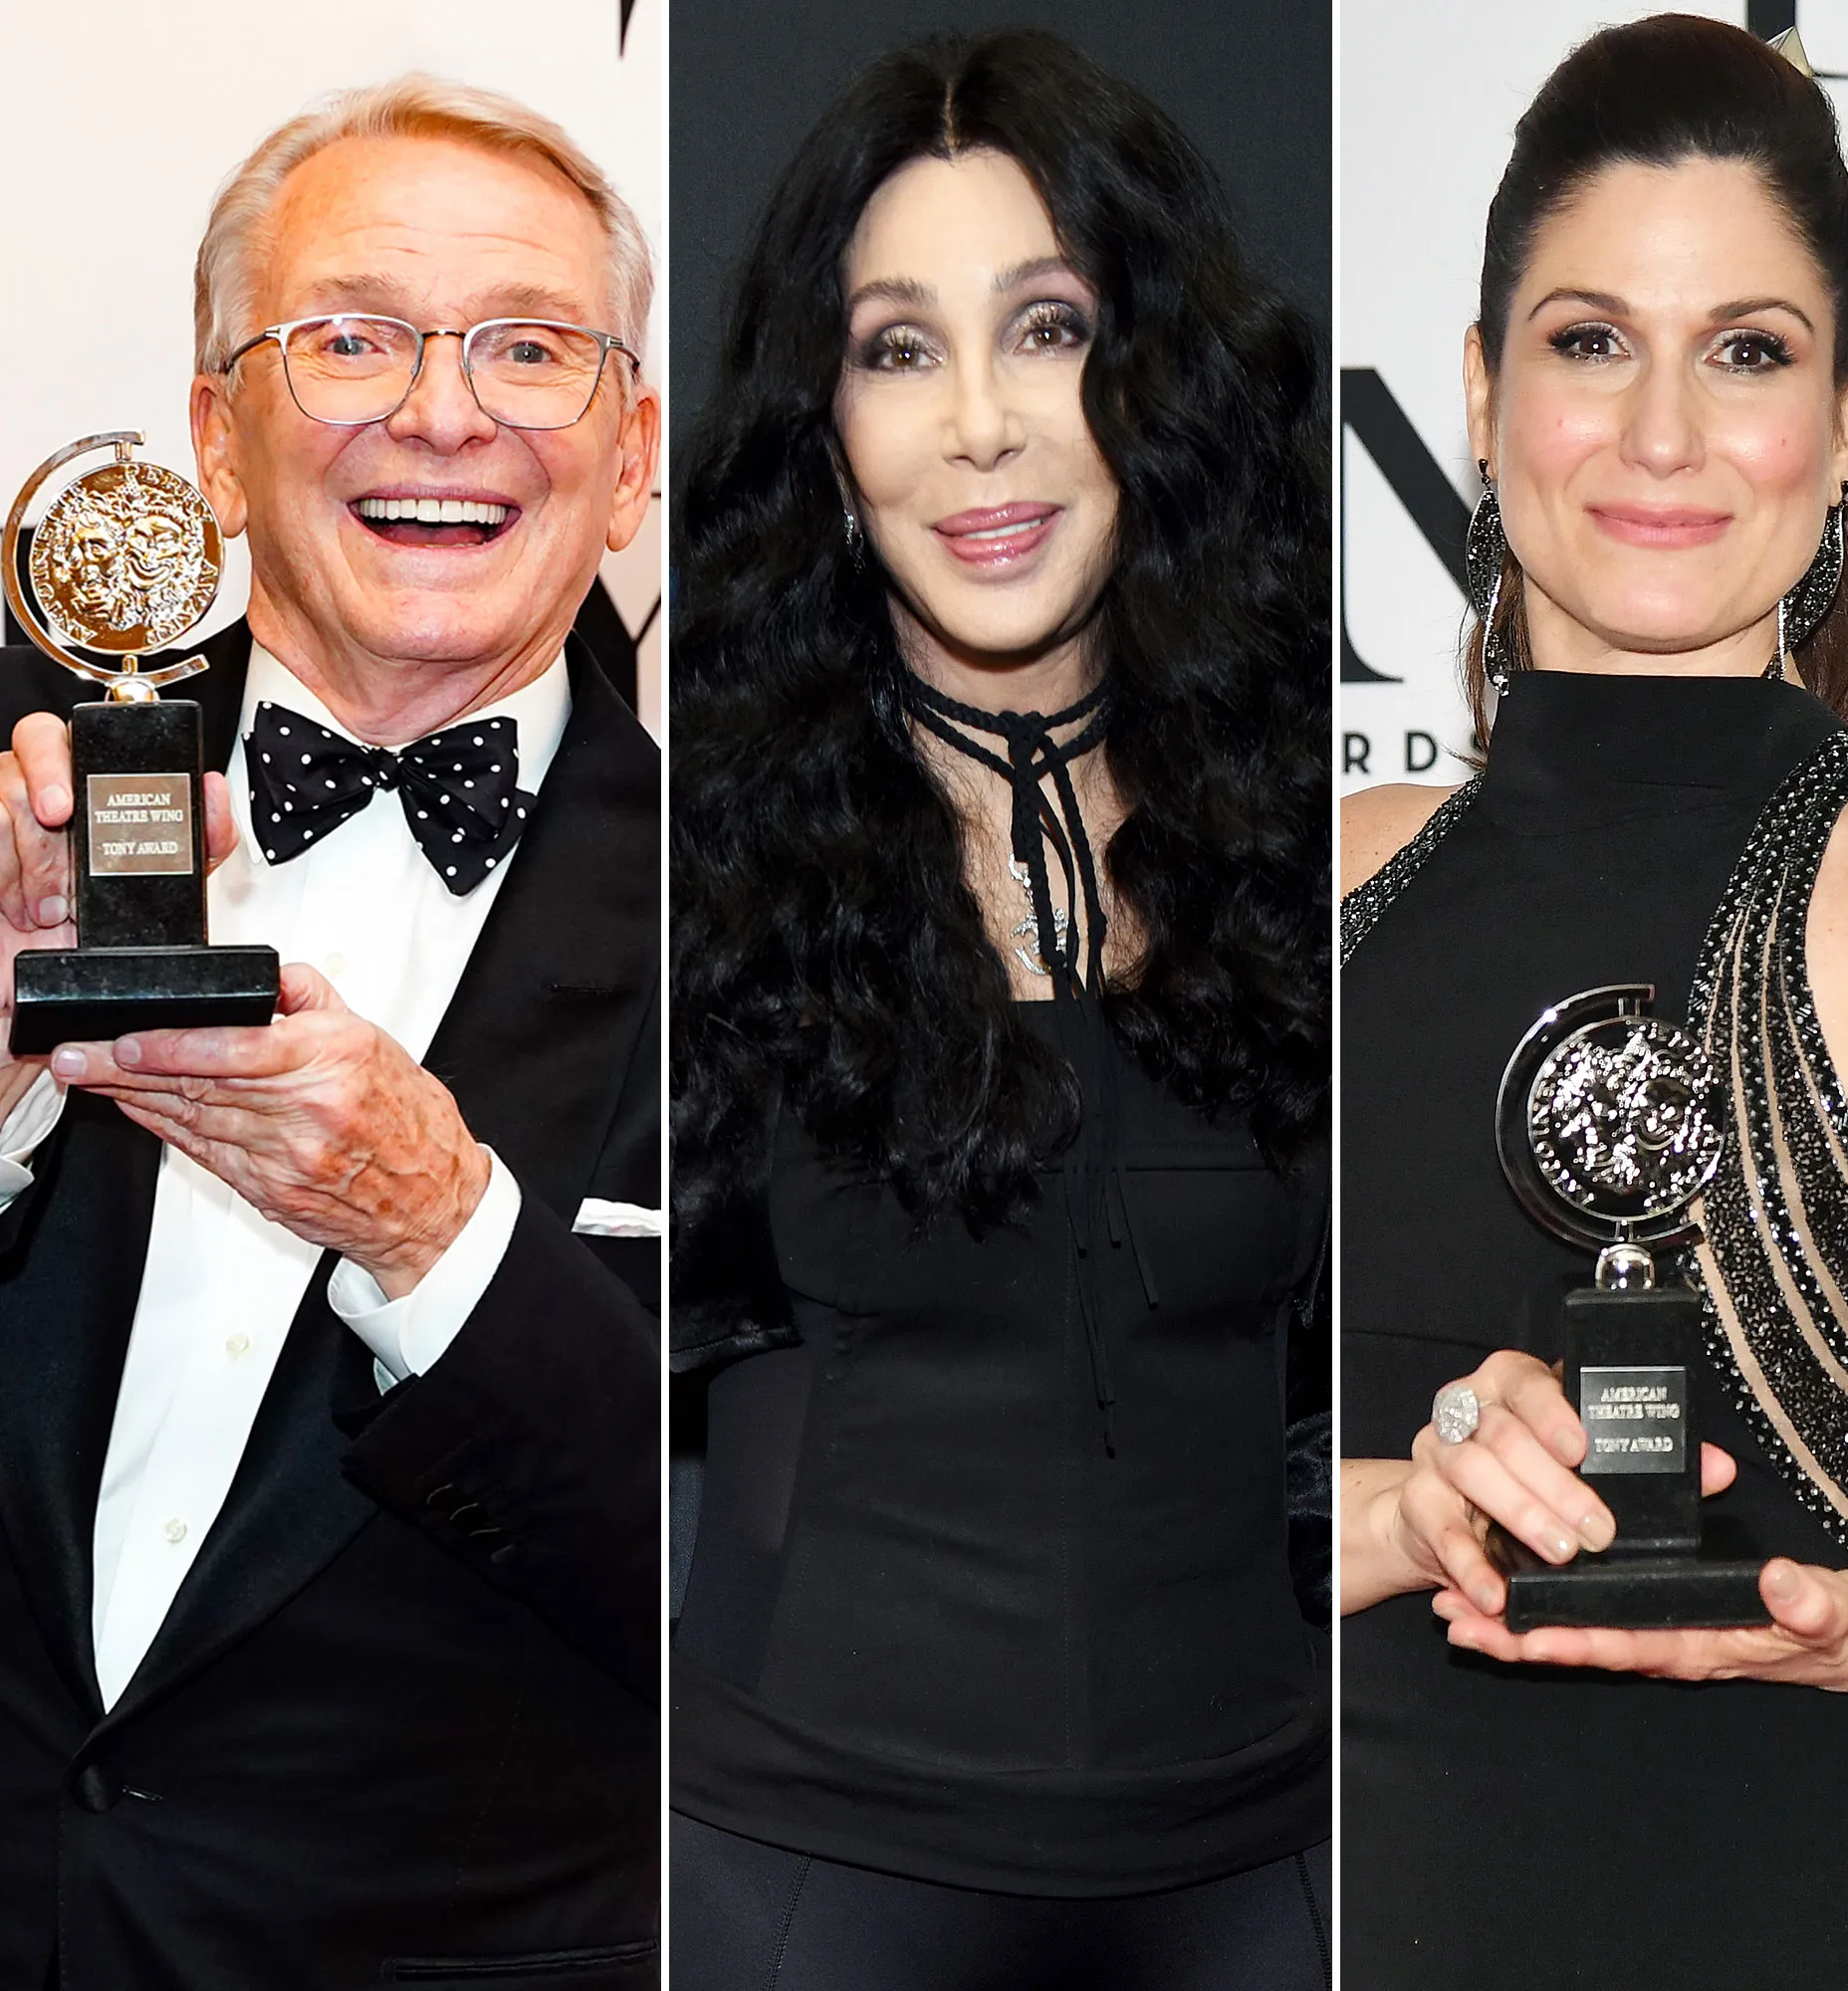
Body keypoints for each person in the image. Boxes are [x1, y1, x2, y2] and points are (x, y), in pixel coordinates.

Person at [669, 30, 1331, 1990]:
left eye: (1047, 329)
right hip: (807, 1879)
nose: (977, 426)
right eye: (897, 347)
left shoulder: (1318, 837)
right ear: (824, 425)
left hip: (1268, 1874)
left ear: (1155, 378)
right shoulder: (693, 851)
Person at [1339, 16, 1848, 1988]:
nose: (1660, 435)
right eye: (1590, 340)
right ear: (1480, 390)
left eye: (1748, 352)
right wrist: (1405, 1508)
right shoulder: (1325, 890)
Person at [0, 79, 660, 1988]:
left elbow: (786, 1596)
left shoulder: (791, 922)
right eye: (355, 338)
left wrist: (436, 1234)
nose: (443, 413)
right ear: (215, 438)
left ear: (631, 461)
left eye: (528, 347)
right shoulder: (21, 802)